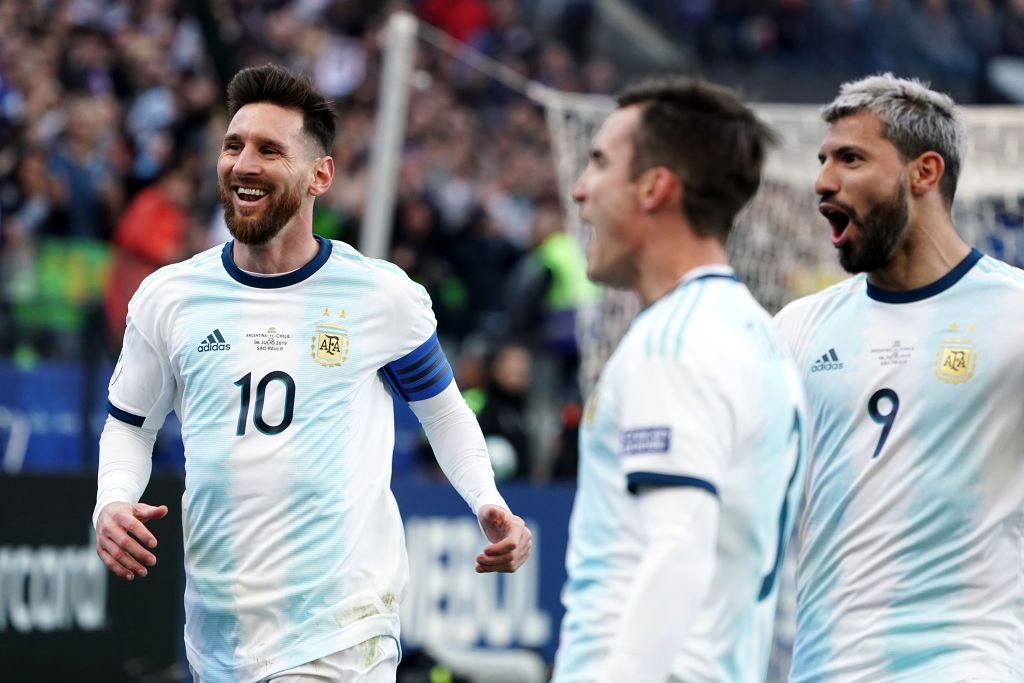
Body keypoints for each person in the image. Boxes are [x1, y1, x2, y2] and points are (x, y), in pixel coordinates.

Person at [92, 64, 531, 683]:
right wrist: (112, 501)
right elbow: (129, 425)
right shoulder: (171, 297)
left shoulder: (379, 297)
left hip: (339, 632)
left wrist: (488, 500)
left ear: (320, 174)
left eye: (270, 150)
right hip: (218, 635)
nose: (244, 164)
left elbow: (444, 412)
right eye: (234, 145)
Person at [552, 76, 807, 683]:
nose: (580, 190)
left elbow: (679, 548)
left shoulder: (674, 344)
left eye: (599, 163)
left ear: (654, 187)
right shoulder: (754, 334)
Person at [775, 73, 1024, 680]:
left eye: (851, 158)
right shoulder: (799, 328)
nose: (823, 181)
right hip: (825, 668)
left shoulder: (1015, 314)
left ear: (924, 172)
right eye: (823, 160)